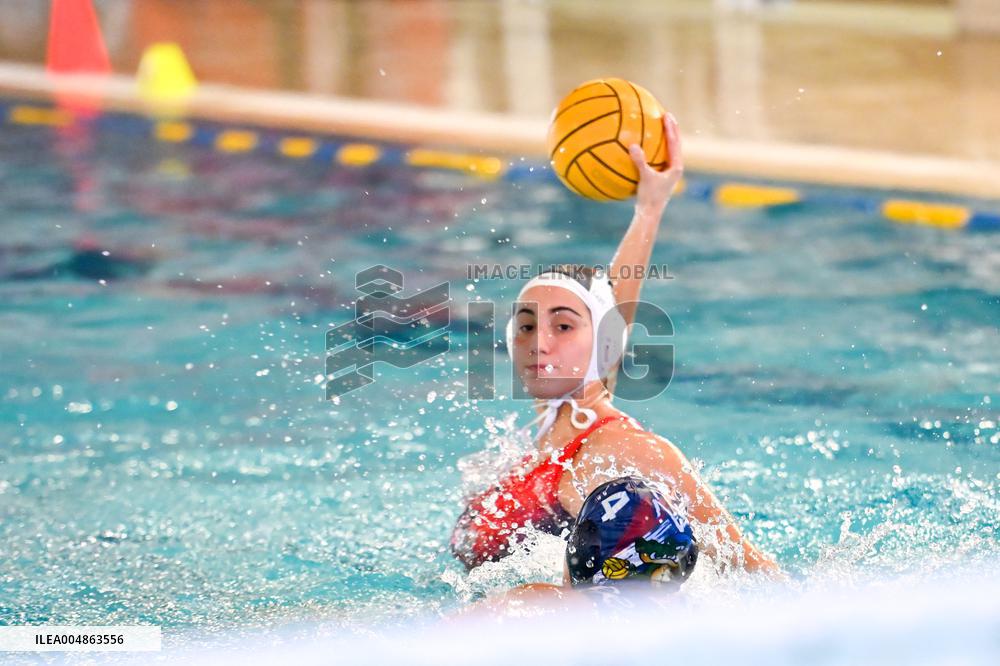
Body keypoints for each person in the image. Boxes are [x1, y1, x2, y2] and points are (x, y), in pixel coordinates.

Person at [451, 114, 782, 576]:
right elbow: (610, 311)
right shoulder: (553, 427)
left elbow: (752, 569)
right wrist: (648, 210)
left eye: (563, 327)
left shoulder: (623, 449)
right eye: (525, 326)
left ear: (604, 344)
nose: (538, 343)